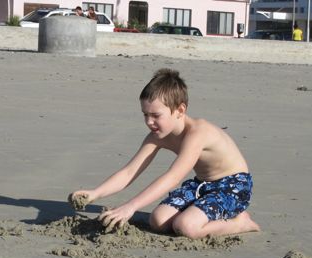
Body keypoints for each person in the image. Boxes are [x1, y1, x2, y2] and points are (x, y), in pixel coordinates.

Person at [69, 69, 260, 239]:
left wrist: (130, 206)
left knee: (186, 227)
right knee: (158, 221)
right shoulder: (157, 136)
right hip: (202, 185)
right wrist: (96, 193)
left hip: (233, 187)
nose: (149, 122)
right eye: (145, 114)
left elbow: (173, 177)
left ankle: (240, 222)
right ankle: (200, 212)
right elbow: (129, 172)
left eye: (156, 115)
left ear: (180, 110)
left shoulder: (198, 133)